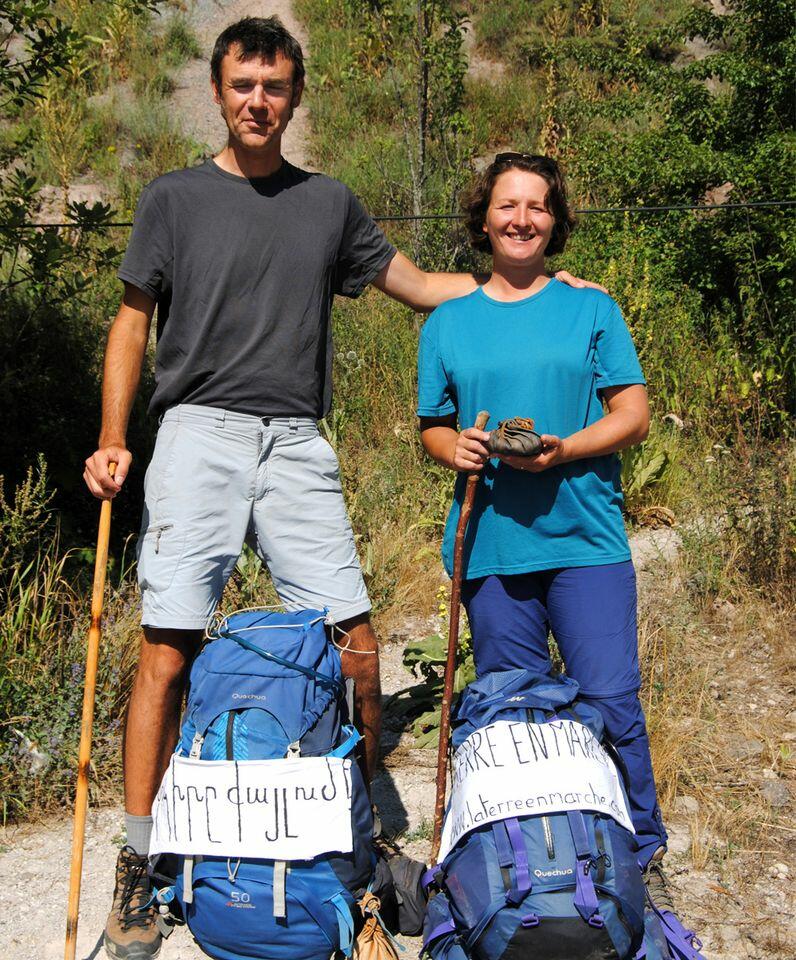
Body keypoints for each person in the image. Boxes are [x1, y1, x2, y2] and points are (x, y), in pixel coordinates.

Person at [83, 19, 598, 958]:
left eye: (274, 86)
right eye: (242, 84)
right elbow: (131, 323)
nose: (257, 101)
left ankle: (352, 855)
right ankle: (140, 866)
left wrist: (525, 283)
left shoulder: (329, 203)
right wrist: (115, 438)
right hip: (196, 431)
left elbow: (415, 285)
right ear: (217, 88)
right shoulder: (173, 198)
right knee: (167, 648)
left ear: (295, 95)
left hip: (295, 442)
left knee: (356, 648)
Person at [417, 153, 672, 903]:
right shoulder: (449, 321)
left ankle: (639, 859)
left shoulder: (591, 307)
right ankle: (535, 865)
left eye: (537, 206)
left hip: (585, 538)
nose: (521, 219)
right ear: (483, 217)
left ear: (555, 221)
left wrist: (566, 448)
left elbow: (633, 414)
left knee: (609, 700)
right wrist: (455, 446)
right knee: (516, 717)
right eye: (507, 205)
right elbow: (433, 425)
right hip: (492, 542)